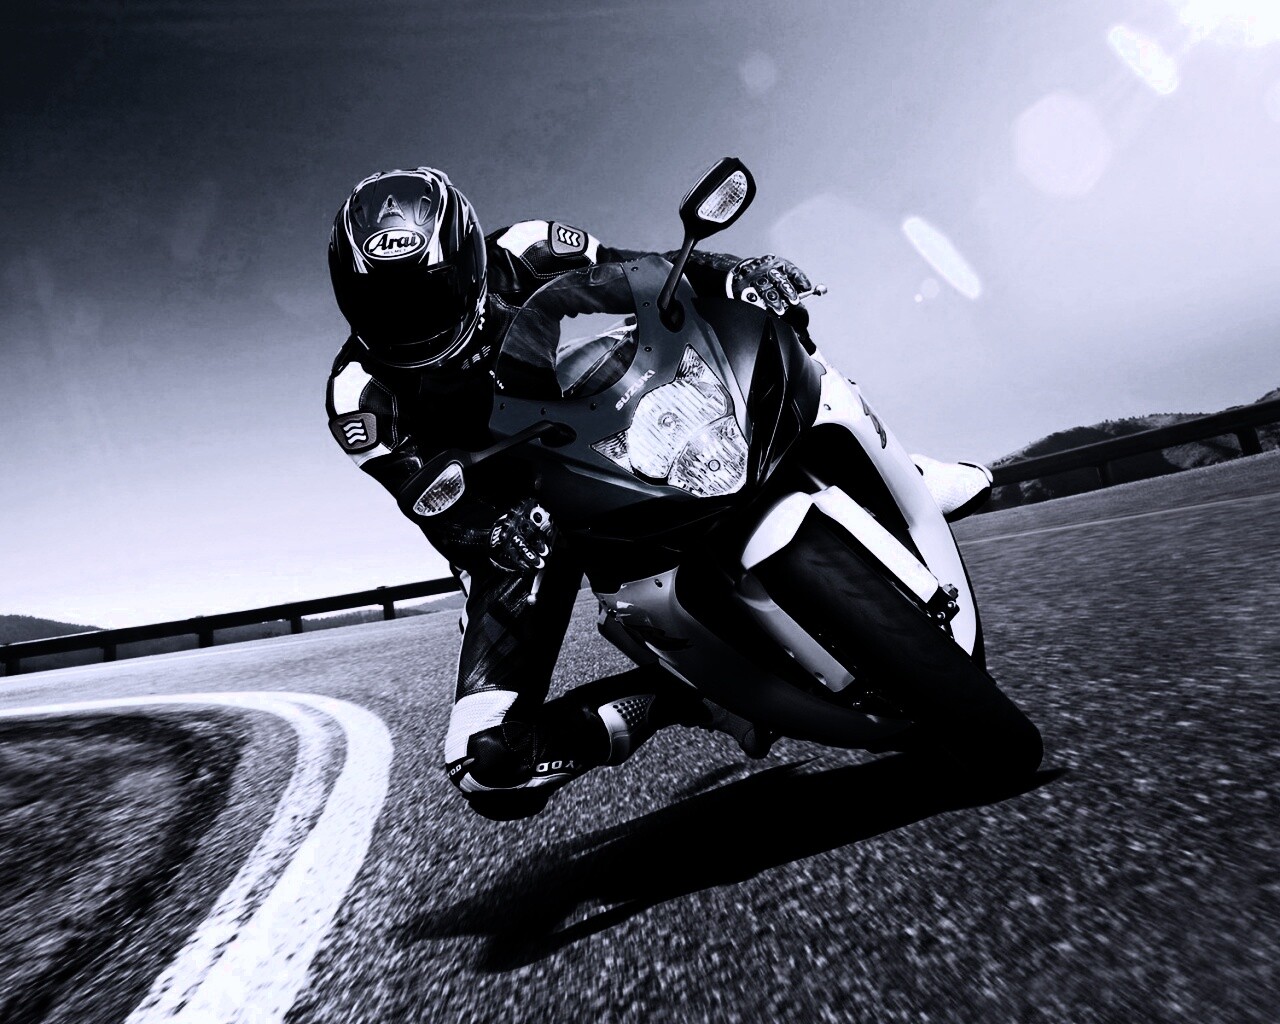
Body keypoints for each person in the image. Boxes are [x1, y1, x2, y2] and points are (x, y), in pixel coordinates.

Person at [325, 167, 992, 820]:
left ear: (469, 262)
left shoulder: (524, 248)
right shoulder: (358, 395)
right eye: (384, 305)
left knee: (763, 329)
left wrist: (734, 271)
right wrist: (492, 530)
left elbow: (639, 271)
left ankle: (894, 471)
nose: (409, 321)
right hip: (512, 523)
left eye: (428, 293)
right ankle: (681, 697)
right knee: (486, 767)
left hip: (580, 426)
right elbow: (428, 502)